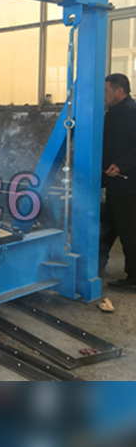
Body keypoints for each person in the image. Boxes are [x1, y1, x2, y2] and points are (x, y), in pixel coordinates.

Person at [99, 73, 136, 288]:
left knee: (129, 234)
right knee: (107, 228)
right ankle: (96, 265)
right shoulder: (113, 113)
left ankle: (134, 279)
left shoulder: (130, 112)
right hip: (114, 186)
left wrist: (121, 165)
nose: (103, 95)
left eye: (106, 90)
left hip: (128, 187)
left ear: (119, 90)